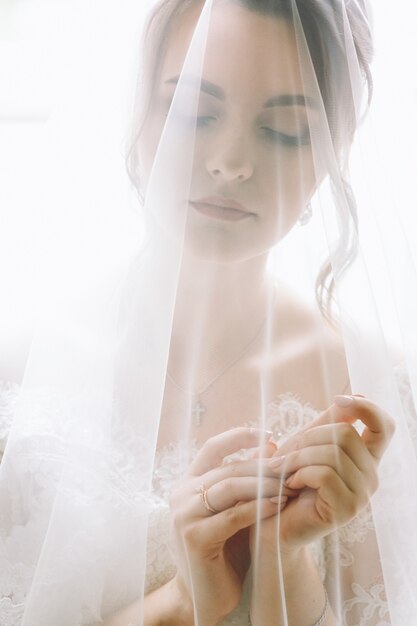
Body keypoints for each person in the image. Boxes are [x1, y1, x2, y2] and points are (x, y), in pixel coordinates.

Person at [1, 1, 416, 625]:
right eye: (195, 111)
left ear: (331, 154)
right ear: (138, 114)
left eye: (284, 129)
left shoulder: (374, 390)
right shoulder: (21, 376)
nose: (232, 162)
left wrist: (285, 557)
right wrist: (183, 603)